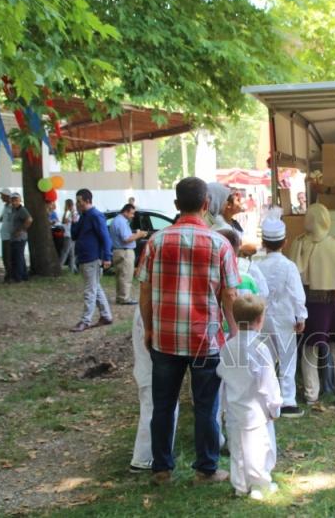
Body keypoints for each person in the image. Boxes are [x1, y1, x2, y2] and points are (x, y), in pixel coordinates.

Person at [138, 177, 240, 486]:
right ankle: (206, 470)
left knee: (163, 405)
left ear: (175, 205)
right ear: (207, 204)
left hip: (165, 338)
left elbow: (145, 291)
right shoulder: (220, 244)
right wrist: (234, 332)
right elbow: (229, 295)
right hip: (205, 341)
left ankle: (161, 469)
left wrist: (149, 329)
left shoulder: (156, 241)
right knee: (207, 406)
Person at [216, 294, 282, 500]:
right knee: (259, 448)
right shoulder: (260, 349)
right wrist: (275, 407)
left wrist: (222, 408)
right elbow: (268, 382)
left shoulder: (227, 348)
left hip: (234, 408)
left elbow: (222, 378)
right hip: (257, 410)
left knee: (237, 449)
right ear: (260, 320)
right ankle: (259, 484)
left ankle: (240, 484)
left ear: (234, 319)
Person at [289, 203, 335, 408]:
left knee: (309, 350)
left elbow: (293, 273)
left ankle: (311, 394)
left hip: (310, 302)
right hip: (334, 302)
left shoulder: (299, 243)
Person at [255, 208, 307, 417]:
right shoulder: (289, 266)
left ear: (263, 243)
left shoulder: (257, 266)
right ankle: (288, 400)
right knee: (287, 358)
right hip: (285, 316)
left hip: (263, 316)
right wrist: (301, 315)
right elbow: (297, 294)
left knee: (265, 358)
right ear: (285, 242)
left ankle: (267, 397)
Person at [129, 305, 179, 473]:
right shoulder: (148, 311)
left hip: (152, 369)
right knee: (154, 408)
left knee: (157, 406)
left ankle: (157, 454)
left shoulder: (148, 308)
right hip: (152, 371)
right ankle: (144, 458)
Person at [70, 188, 114, 333]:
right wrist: (74, 220)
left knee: (90, 290)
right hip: (83, 257)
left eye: (79, 201)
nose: (77, 204)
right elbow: (74, 235)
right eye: (77, 201)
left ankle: (85, 321)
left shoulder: (96, 215)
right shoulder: (83, 216)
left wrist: (107, 256)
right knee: (95, 287)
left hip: (92, 258)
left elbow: (105, 237)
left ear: (87, 201)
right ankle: (106, 316)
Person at [110, 203, 147, 305]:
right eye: (132, 213)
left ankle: (120, 296)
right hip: (124, 252)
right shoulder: (121, 222)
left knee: (120, 276)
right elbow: (126, 239)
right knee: (126, 276)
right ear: (126, 212)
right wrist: (139, 235)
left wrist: (135, 234)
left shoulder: (117, 220)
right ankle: (124, 298)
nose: (133, 216)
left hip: (118, 251)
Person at [9, 192, 32, 282]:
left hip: (20, 238)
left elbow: (29, 219)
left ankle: (18, 277)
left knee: (18, 257)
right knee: (19, 256)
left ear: (19, 200)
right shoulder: (14, 210)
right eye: (13, 200)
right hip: (14, 237)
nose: (14, 202)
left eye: (16, 200)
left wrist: (21, 230)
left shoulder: (22, 210)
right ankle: (24, 275)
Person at [60, 198, 79, 273]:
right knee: (71, 253)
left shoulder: (72, 213)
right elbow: (64, 221)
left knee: (65, 252)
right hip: (69, 234)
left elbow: (64, 221)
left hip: (69, 234)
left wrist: (66, 213)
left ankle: (60, 266)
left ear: (67, 205)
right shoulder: (71, 212)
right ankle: (72, 269)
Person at [0, 188, 14, 282]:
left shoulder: (12, 207)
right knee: (5, 257)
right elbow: (2, 218)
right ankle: (8, 275)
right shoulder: (5, 206)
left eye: (2, 195)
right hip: (4, 234)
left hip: (9, 235)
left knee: (8, 257)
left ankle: (10, 277)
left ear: (7, 196)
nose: (1, 197)